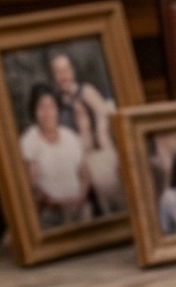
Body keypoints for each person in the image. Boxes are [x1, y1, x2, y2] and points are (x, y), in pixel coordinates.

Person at [19, 83, 89, 228]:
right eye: (41, 107)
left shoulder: (70, 137)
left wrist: (78, 199)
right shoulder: (29, 141)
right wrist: (56, 204)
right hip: (48, 215)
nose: (47, 113)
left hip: (79, 208)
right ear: (34, 111)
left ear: (58, 109)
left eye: (51, 106)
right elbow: (31, 185)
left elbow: (85, 175)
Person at [70, 98, 124, 218]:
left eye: (81, 113)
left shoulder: (102, 137)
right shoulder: (73, 142)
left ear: (89, 115)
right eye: (75, 114)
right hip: (93, 195)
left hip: (114, 189)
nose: (78, 118)